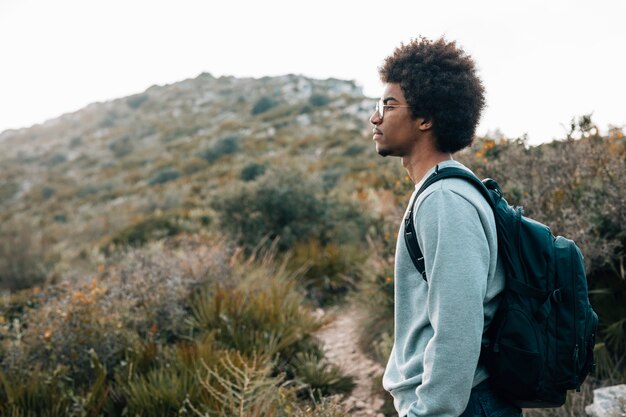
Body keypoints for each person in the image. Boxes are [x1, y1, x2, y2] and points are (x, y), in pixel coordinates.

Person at [370, 37, 523, 417]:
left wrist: (431, 411)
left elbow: (458, 325)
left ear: (425, 118)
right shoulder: (439, 191)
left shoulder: (445, 200)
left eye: (388, 106)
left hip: (465, 407)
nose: (375, 117)